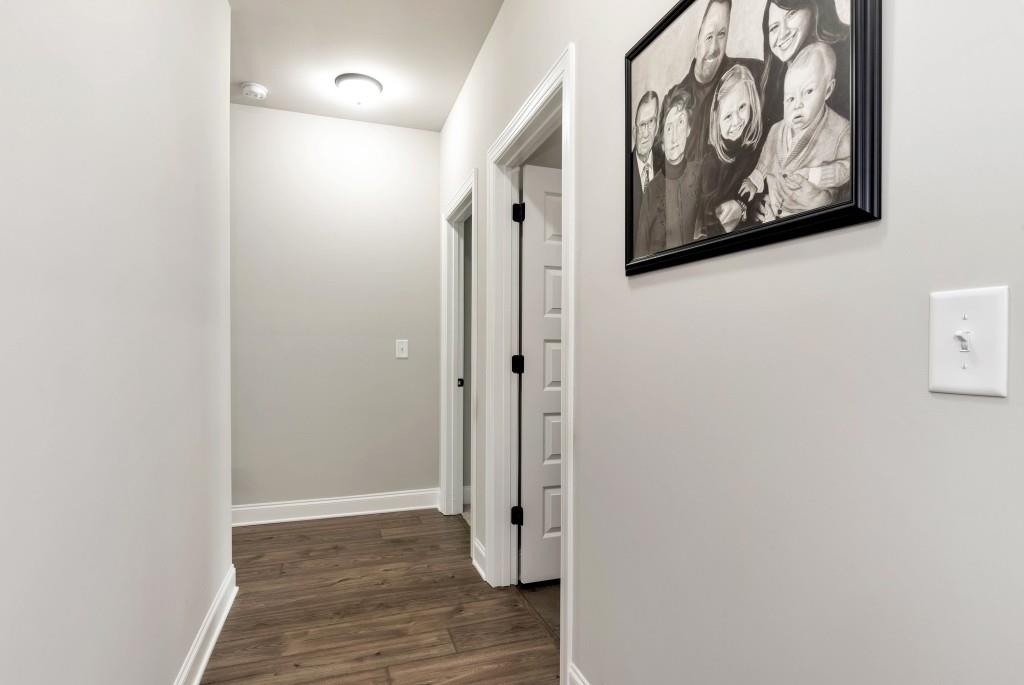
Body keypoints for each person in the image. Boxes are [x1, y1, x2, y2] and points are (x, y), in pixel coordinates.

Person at [739, 42, 851, 221]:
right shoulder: (776, 130)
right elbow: (764, 163)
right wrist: (754, 181)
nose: (797, 104)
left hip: (812, 216)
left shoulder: (840, 131)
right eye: (790, 98)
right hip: (773, 213)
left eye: (807, 92)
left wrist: (815, 175)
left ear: (828, 90)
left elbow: (850, 167)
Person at [696, 64, 764, 239]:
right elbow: (707, 227)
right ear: (716, 118)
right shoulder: (710, 163)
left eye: (742, 107)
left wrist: (745, 207)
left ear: (752, 103)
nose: (736, 121)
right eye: (727, 116)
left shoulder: (754, 146)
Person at [758, 0, 850, 127]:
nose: (783, 33)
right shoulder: (774, 82)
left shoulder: (848, 52)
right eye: (774, 27)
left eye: (791, 14)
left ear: (813, 9)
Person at [635, 86, 699, 257]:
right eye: (669, 128)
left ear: (689, 129)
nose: (674, 137)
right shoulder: (652, 190)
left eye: (680, 123)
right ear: (662, 139)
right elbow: (640, 253)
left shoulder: (701, 175)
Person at [631, 90, 664, 232]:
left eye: (650, 122)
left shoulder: (666, 165)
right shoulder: (624, 172)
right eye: (642, 125)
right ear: (634, 131)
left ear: (656, 126)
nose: (645, 133)